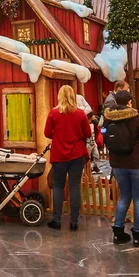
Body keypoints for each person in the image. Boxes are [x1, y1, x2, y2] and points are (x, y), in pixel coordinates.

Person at [104, 90, 139, 247]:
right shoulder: (136, 118)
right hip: (137, 163)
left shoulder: (108, 118)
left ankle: (118, 232)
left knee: (124, 196)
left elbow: (103, 133)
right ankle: (138, 235)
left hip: (118, 164)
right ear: (129, 103)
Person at [44, 85, 91, 231]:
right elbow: (88, 133)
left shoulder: (53, 114)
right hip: (77, 154)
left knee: (58, 186)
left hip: (59, 154)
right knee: (74, 186)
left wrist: (58, 134)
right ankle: (74, 222)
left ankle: (57, 220)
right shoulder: (80, 114)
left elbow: (47, 133)